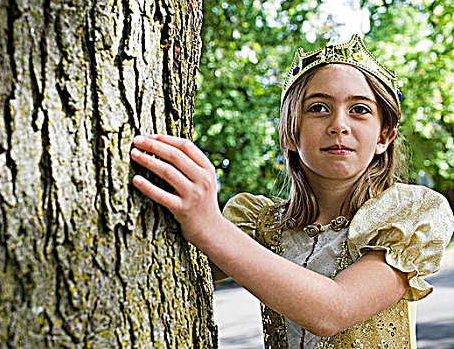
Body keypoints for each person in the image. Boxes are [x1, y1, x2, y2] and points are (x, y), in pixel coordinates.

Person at [129, 34, 454, 348]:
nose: (339, 124)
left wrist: (208, 225)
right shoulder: (260, 225)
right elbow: (170, 267)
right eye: (318, 108)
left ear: (384, 136)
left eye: (359, 109)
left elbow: (334, 311)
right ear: (289, 133)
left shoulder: (409, 216)